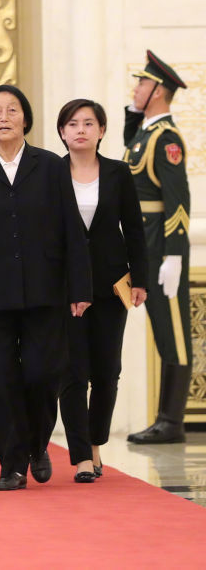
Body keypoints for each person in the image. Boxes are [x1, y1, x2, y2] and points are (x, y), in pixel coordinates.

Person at [0, 84, 91, 491]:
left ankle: (37, 443)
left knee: (44, 373)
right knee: (1, 380)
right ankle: (12, 465)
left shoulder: (51, 166)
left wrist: (80, 288)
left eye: (11, 110)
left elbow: (72, 229)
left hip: (46, 289)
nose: (3, 117)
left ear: (26, 118)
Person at [55, 99, 148, 482]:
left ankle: (96, 442)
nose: (81, 130)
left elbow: (135, 228)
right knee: (72, 372)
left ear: (102, 130)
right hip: (65, 287)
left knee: (107, 372)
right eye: (73, 124)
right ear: (62, 132)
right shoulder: (51, 173)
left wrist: (140, 279)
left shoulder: (117, 172)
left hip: (111, 285)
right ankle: (80, 456)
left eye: (88, 123)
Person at [123, 51, 192, 445]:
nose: (136, 88)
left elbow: (178, 202)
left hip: (160, 246)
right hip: (143, 244)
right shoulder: (145, 135)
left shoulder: (166, 139)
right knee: (162, 330)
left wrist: (174, 255)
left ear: (159, 92)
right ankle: (165, 419)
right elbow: (128, 158)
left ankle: (172, 420)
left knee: (173, 332)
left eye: (143, 84)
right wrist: (134, 113)